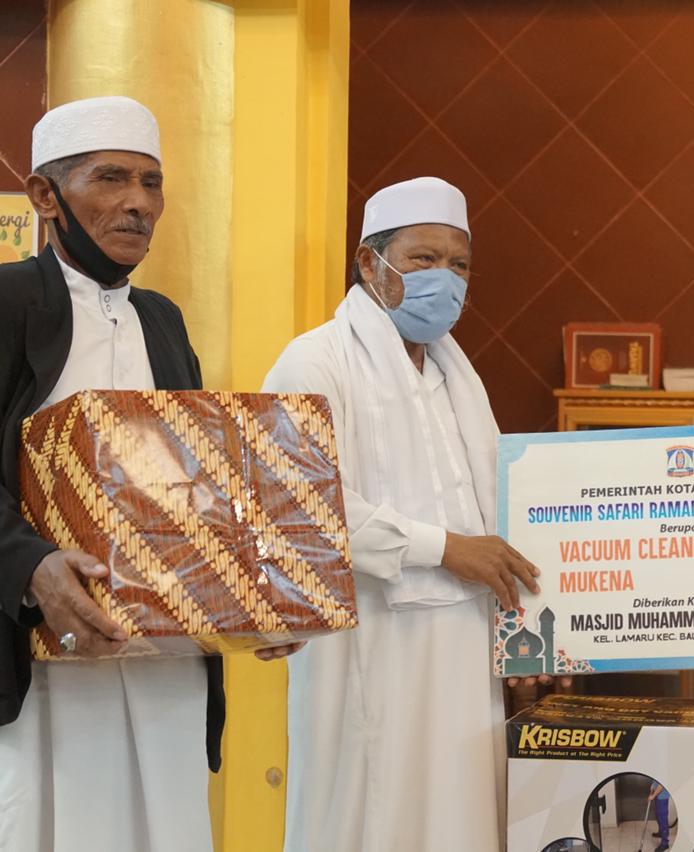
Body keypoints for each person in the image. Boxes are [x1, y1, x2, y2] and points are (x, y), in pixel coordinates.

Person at [0, 95, 291, 851]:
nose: (139, 203)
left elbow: (195, 484)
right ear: (45, 195)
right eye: (111, 178)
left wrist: (260, 595)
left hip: (167, 659)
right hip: (45, 664)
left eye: (152, 182)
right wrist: (31, 567)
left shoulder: (162, 318)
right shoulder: (8, 302)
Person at [264, 177, 555, 850]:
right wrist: (444, 548)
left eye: (459, 265)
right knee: (366, 816)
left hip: (465, 646)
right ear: (370, 263)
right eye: (424, 259)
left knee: (461, 818)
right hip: (367, 646)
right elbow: (300, 505)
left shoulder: (457, 375)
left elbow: (500, 509)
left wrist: (533, 629)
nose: (444, 279)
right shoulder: (313, 361)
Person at [648, 781, 671, 851]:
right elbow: (656, 781)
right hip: (658, 796)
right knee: (658, 816)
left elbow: (661, 785)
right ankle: (661, 833)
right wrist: (652, 787)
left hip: (663, 797)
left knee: (663, 820)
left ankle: (665, 843)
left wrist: (653, 796)